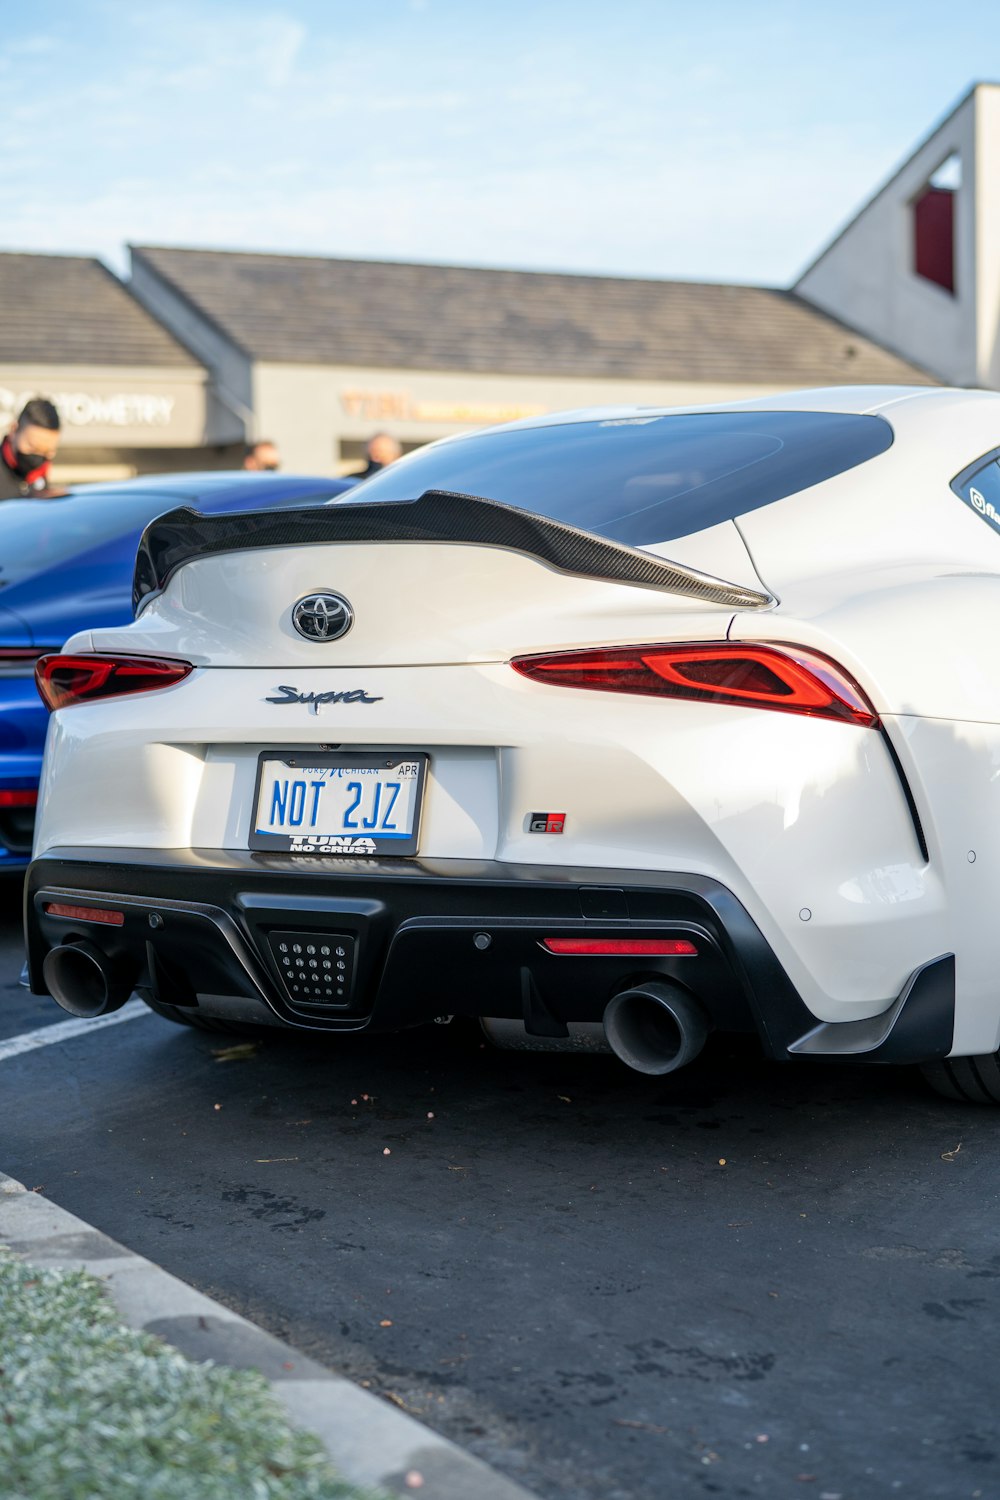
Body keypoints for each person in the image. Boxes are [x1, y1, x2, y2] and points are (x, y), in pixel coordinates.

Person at [0, 398, 62, 500]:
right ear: (14, 430)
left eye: (47, 452)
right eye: (32, 448)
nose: (37, 459)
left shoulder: (40, 474)